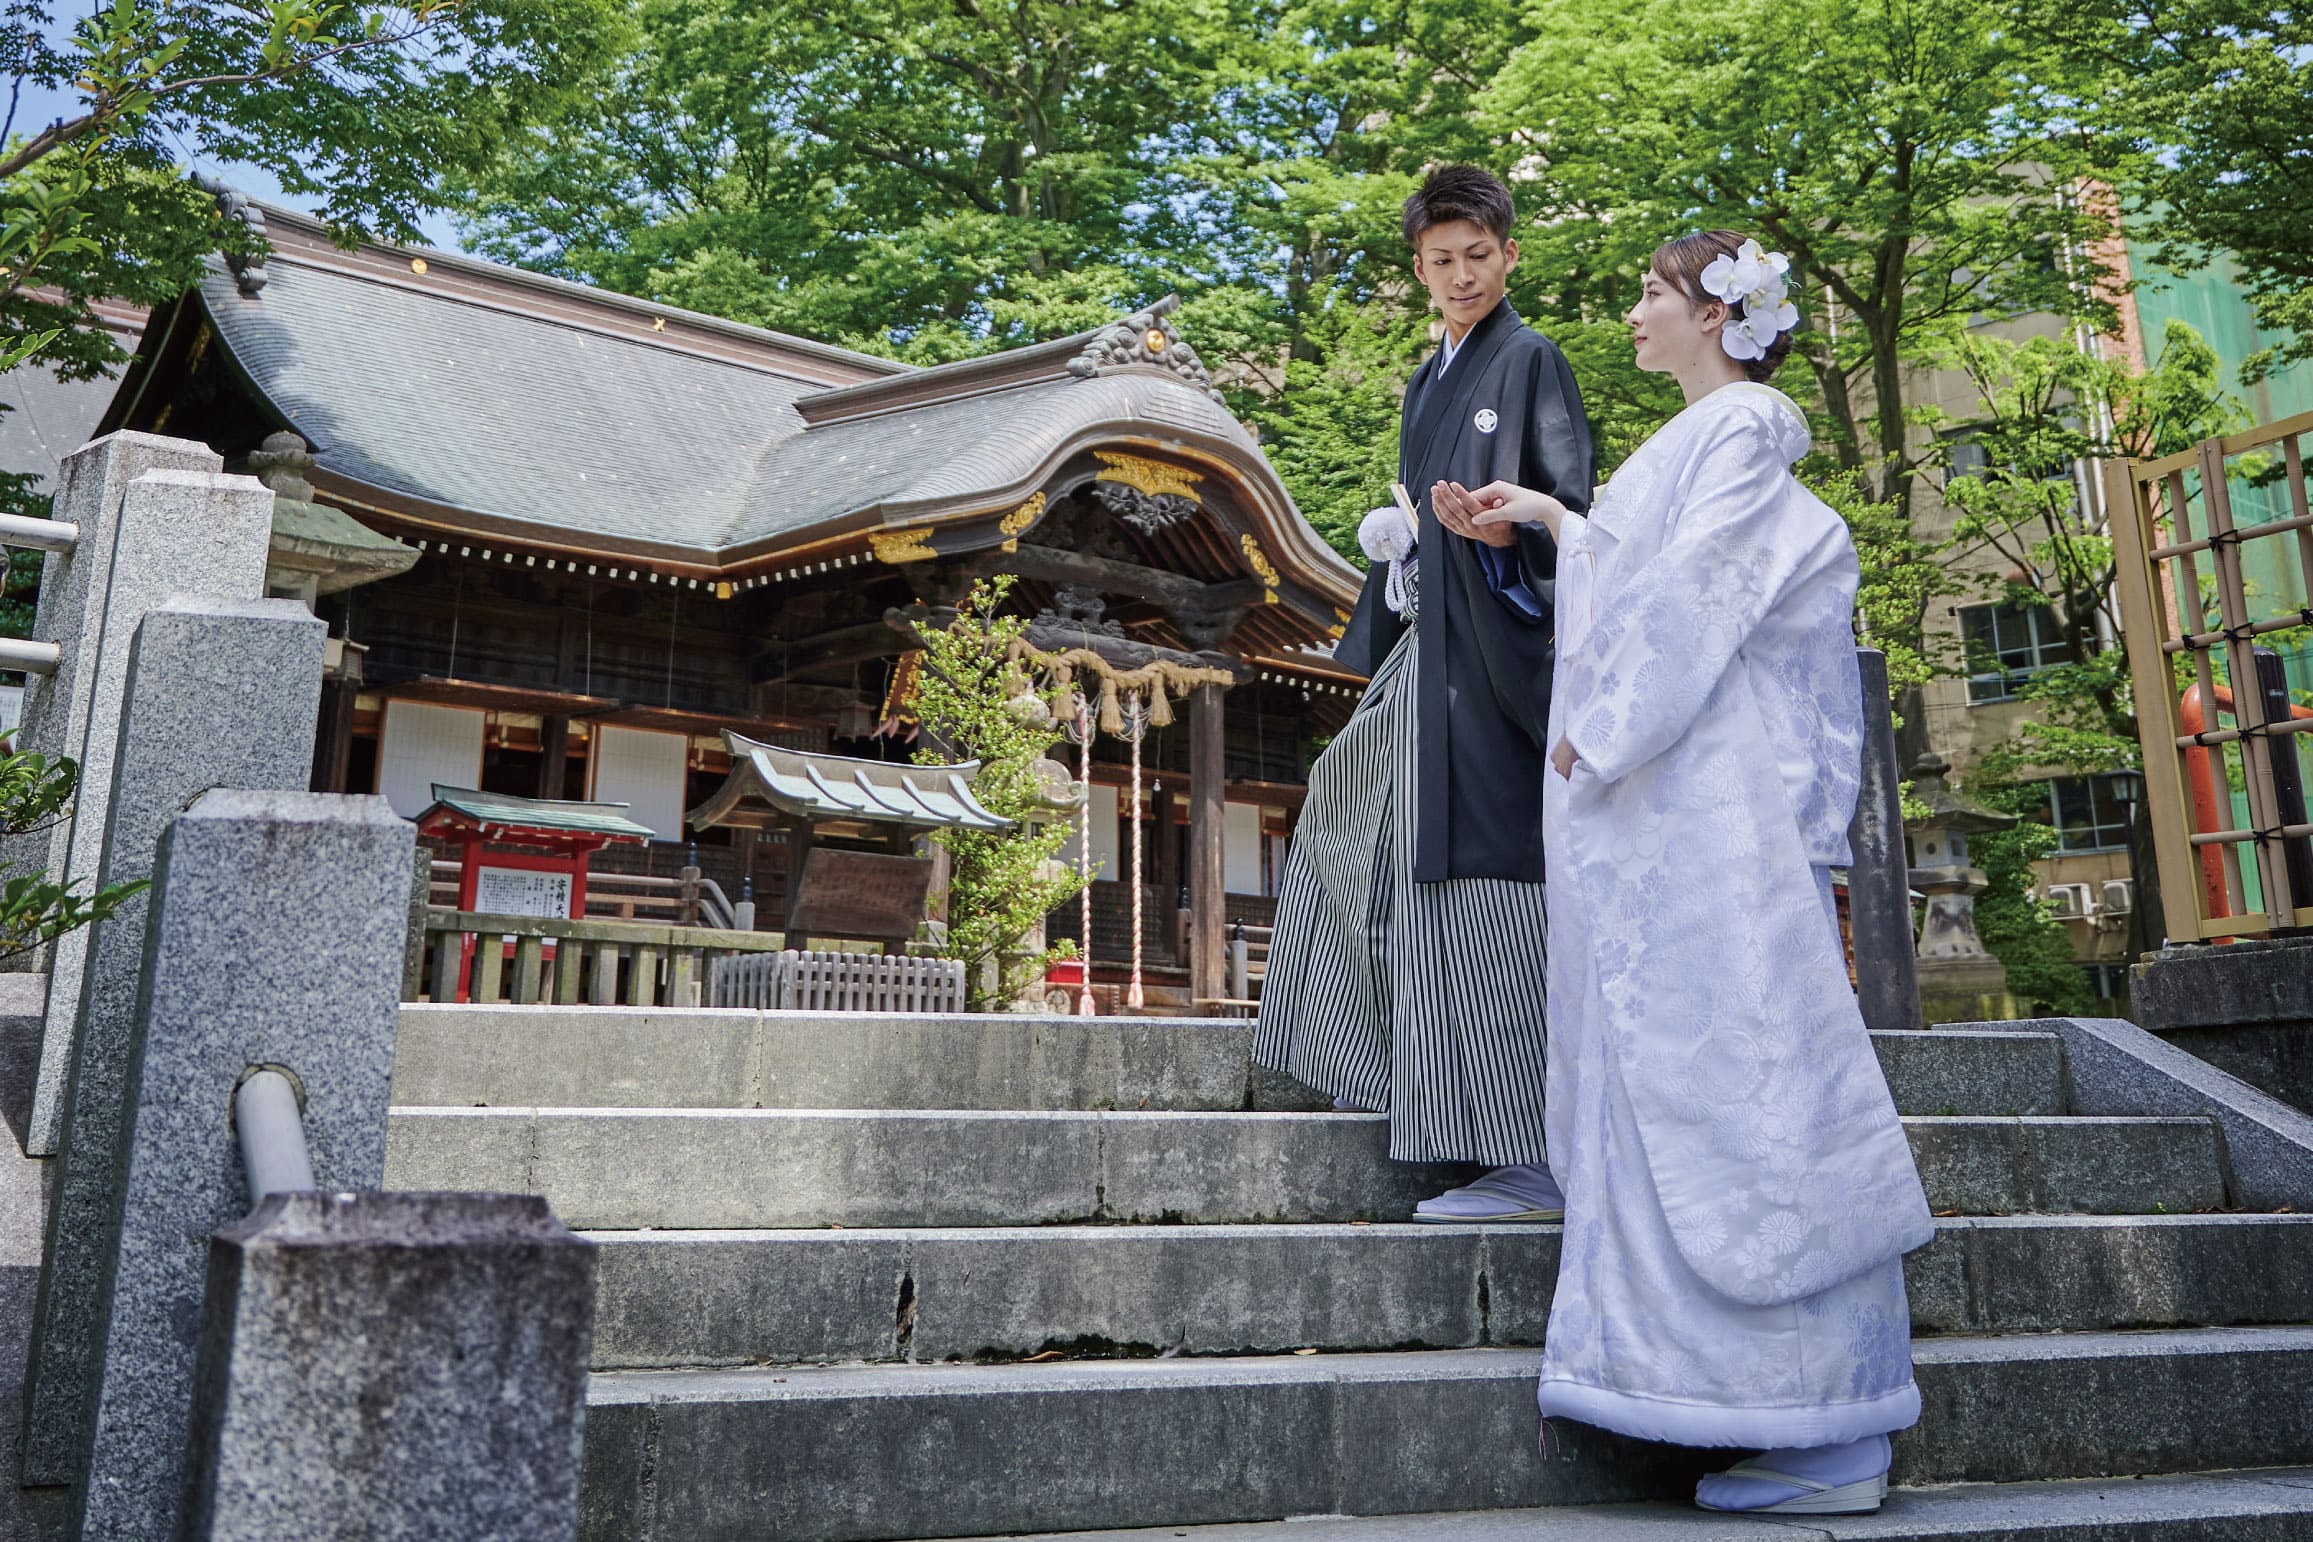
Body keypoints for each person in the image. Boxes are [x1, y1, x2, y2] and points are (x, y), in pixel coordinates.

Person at [1435, 230, 1934, 1514]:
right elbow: (1649, 567)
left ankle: (1824, 1425)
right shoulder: (1712, 436)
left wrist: (1603, 726)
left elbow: (1703, 591)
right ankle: (1728, 1397)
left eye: (1655, 294)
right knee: (1683, 1073)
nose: (1637, 314)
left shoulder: (1747, 427)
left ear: (1718, 315)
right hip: (1677, 809)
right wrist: (1548, 520)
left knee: (1737, 1079)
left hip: (1704, 805)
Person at [1254, 164, 1595, 1223]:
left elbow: (1574, 520)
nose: (1460, 276)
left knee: (1486, 876)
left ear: (1509, 257)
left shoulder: (1531, 358)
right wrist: (1404, 550)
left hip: (1497, 670)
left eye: (1477, 257)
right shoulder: (1427, 378)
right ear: (1418, 269)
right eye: (1441, 261)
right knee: (1347, 810)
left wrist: (1504, 535)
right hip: (1431, 645)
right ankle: (1394, 1075)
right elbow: (1430, 507)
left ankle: (1528, 1149)